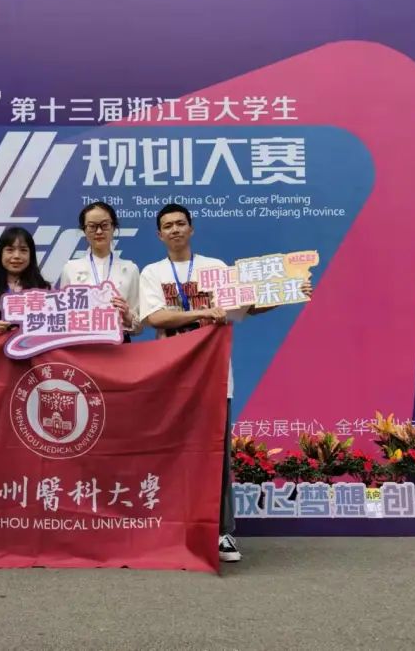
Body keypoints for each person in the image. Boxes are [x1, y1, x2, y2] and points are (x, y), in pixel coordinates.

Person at [139, 203, 312, 563]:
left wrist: (287, 291)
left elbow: (248, 305)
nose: (174, 230)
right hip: (170, 375)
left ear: (191, 229)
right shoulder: (152, 273)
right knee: (170, 452)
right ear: (159, 234)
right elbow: (156, 316)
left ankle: (221, 532)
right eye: (167, 226)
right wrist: (204, 311)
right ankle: (170, 527)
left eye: (180, 223)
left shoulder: (215, 269)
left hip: (213, 375)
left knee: (216, 455)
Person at [58, 201, 142, 340]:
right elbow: (63, 315)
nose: (98, 231)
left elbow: (139, 327)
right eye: (92, 226)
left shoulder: (130, 269)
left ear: (113, 227)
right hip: (83, 344)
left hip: (119, 345)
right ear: (84, 230)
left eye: (104, 225)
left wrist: (127, 316)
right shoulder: (71, 268)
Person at [0, 226, 51, 330]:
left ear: (31, 255)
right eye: (10, 250)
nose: (16, 256)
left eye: (23, 250)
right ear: (0, 254)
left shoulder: (45, 290)